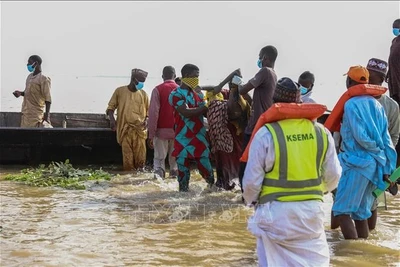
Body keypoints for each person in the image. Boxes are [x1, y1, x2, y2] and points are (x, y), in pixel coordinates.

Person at [243, 77, 341, 266]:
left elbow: (251, 183)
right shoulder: (322, 132)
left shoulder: (266, 133)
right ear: (300, 103)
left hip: (276, 215)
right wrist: (321, 191)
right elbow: (334, 175)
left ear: (274, 103)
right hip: (311, 213)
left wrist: (250, 201)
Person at [332, 66, 397, 239]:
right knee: (361, 214)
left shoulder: (351, 104)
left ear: (350, 82)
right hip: (375, 166)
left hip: (356, 164)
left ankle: (351, 254)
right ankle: (363, 252)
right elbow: (387, 139)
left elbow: (361, 136)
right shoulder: (377, 104)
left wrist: (375, 152)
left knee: (342, 211)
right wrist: (385, 163)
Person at [228, 45, 278, 193]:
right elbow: (253, 97)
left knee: (246, 161)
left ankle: (245, 195)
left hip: (257, 126)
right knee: (261, 162)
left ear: (265, 58)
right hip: (266, 125)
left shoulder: (264, 71)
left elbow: (243, 90)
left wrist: (235, 83)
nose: (259, 60)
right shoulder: (273, 74)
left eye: (260, 56)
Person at [168, 64, 214, 192]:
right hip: (182, 138)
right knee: (183, 174)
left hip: (199, 137)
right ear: (187, 76)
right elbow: (186, 112)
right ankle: (183, 197)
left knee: (207, 170)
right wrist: (205, 107)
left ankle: (211, 192)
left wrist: (213, 102)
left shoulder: (198, 94)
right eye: (195, 76)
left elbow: (205, 112)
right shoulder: (175, 94)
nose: (197, 79)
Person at [366, 58, 400, 230]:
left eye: (373, 78)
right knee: (348, 207)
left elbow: (394, 136)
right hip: (359, 161)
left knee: (375, 205)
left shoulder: (392, 107)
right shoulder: (357, 102)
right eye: (367, 77)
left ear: (382, 80)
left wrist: (387, 163)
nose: (370, 82)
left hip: (381, 163)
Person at [106, 68, 149, 171]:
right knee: (128, 161)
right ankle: (127, 179)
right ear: (134, 79)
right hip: (125, 130)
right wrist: (112, 121)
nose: (142, 83)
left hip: (140, 131)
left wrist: (147, 120)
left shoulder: (143, 94)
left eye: (144, 81)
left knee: (141, 162)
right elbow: (110, 108)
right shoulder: (119, 91)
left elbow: (149, 112)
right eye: (141, 81)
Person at [148, 66, 179, 179]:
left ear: (162, 76)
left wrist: (151, 135)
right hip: (177, 132)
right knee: (174, 163)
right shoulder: (180, 90)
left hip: (161, 132)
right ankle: (174, 184)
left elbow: (153, 113)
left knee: (159, 161)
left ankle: (158, 182)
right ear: (175, 76)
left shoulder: (157, 90)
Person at [13, 55, 52, 128]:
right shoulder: (29, 77)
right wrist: (20, 93)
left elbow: (48, 99)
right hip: (25, 114)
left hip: (36, 116)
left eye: (29, 63)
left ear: (36, 63)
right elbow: (28, 93)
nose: (28, 65)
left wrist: (47, 116)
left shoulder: (44, 79)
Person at [387, 18, 400, 167]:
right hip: (394, 88)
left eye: (397, 27)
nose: (395, 29)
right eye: (394, 27)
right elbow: (392, 60)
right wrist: (389, 73)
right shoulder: (394, 42)